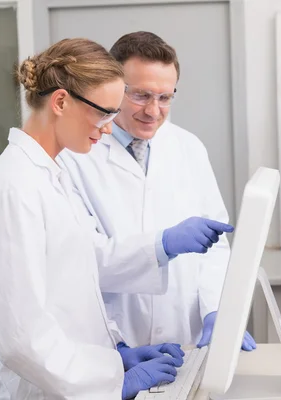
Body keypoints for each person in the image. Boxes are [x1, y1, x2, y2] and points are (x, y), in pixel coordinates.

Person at [0, 38, 186, 400]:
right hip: (49, 390)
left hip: (82, 379)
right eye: (103, 113)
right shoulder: (14, 186)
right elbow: (19, 336)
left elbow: (77, 286)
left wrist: (116, 354)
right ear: (60, 102)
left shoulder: (52, 175)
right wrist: (110, 382)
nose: (107, 129)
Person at [58, 31, 256, 350]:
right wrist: (160, 246)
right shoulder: (75, 154)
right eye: (141, 95)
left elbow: (216, 249)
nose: (153, 111)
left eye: (164, 98)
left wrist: (216, 310)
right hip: (114, 345)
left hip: (185, 338)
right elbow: (78, 259)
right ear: (111, 86)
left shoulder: (188, 147)